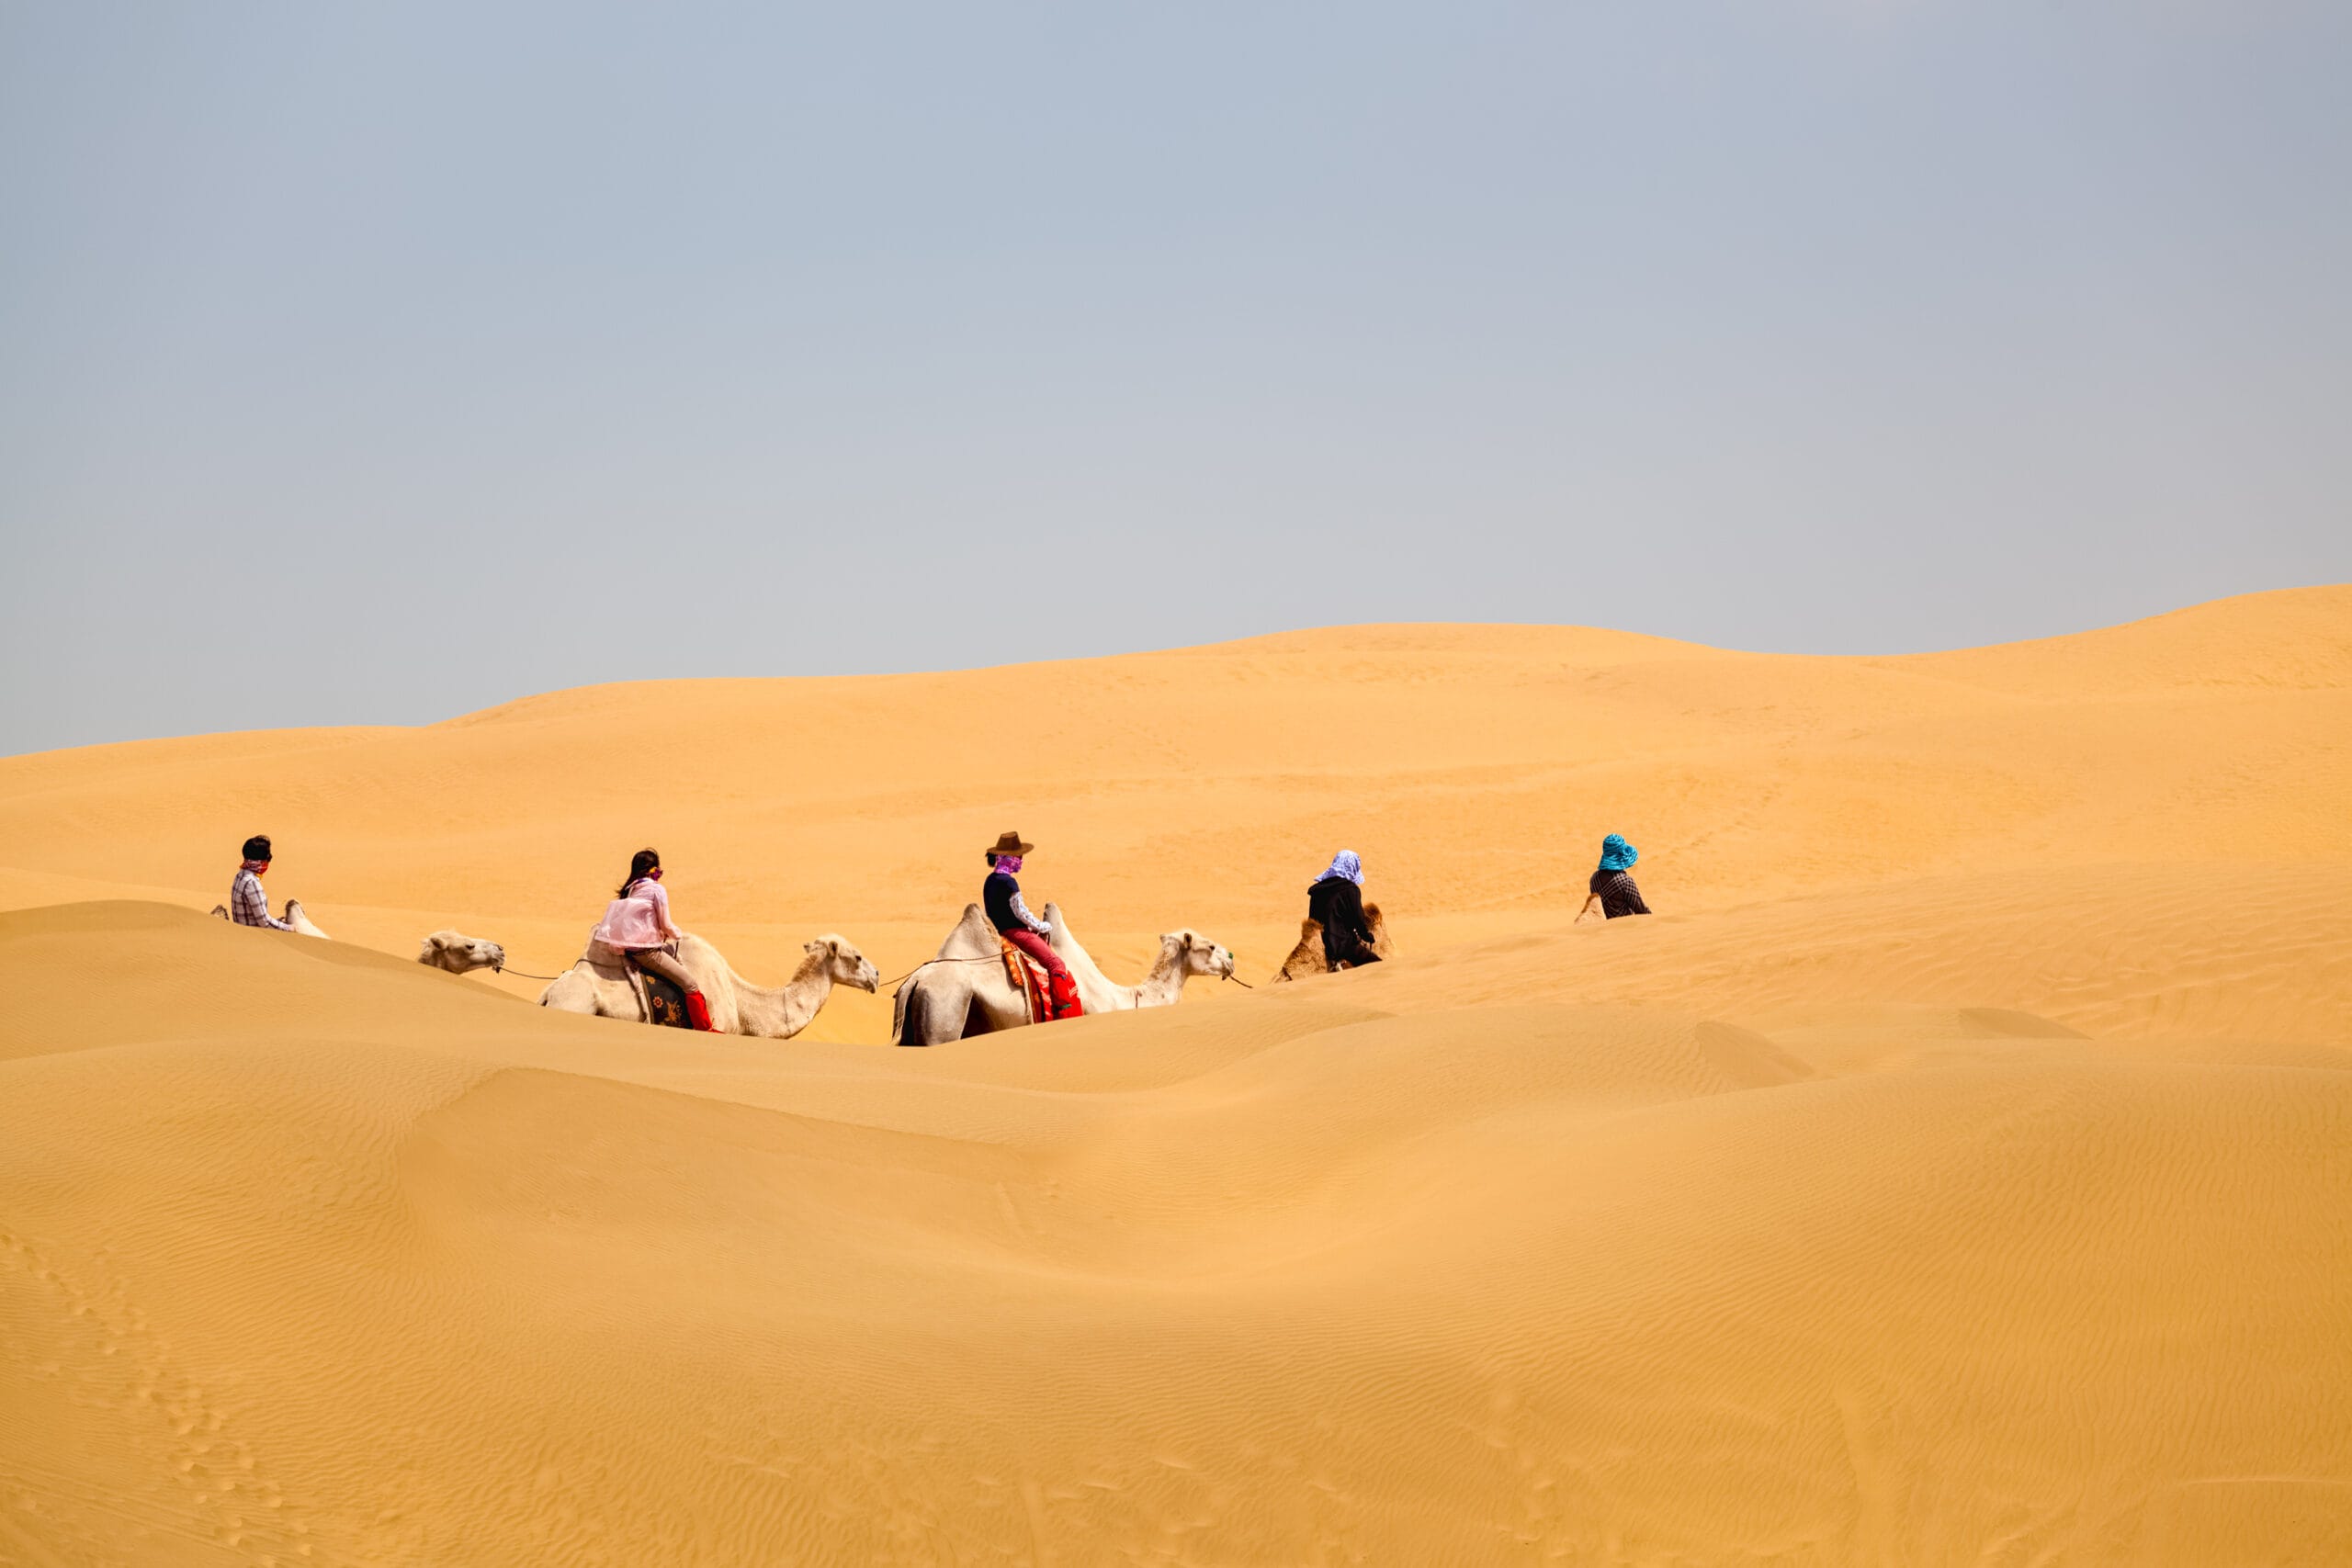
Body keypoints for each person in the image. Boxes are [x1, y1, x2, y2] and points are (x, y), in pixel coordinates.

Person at [593, 849, 717, 1031]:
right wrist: (677, 934)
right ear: (654, 870)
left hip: (631, 949)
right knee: (690, 984)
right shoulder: (657, 889)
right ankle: (704, 1029)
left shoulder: (631, 889)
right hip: (648, 952)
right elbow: (665, 924)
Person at [980, 830, 1081, 1021]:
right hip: (1016, 933)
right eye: (1018, 857)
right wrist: (1042, 926)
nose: (1021, 861)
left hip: (997, 932)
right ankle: (1064, 1012)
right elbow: (1020, 912)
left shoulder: (990, 880)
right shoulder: (1009, 882)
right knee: (1056, 963)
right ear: (1007, 858)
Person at [1306, 851, 1382, 968]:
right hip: (1342, 945)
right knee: (1377, 966)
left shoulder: (1317, 891)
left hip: (1320, 945)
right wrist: (1367, 937)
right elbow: (1358, 919)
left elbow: (1312, 921)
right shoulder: (1350, 890)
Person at [229, 834, 298, 931]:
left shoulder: (239, 876)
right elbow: (264, 922)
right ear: (262, 861)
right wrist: (290, 928)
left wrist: (277, 922)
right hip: (252, 937)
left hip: (244, 932)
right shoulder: (251, 883)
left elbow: (254, 917)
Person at [1577, 834, 1651, 921]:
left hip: (1604, 928)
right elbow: (1641, 911)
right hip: (1625, 928)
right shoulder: (1626, 881)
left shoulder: (1594, 878)